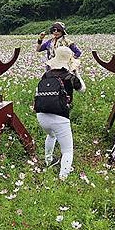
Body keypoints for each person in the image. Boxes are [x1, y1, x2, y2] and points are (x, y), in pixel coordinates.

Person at [34, 46, 86, 181]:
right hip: (60, 117)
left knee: (51, 135)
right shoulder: (69, 76)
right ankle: (63, 178)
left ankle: (48, 161)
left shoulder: (46, 75)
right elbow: (82, 89)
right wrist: (76, 72)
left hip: (41, 115)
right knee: (67, 150)